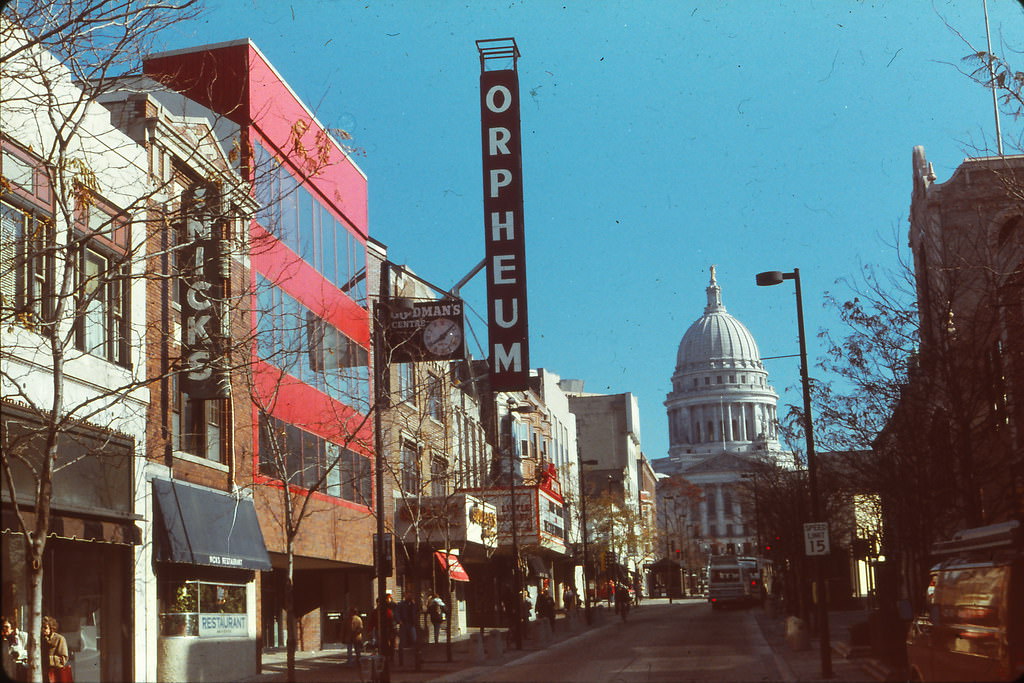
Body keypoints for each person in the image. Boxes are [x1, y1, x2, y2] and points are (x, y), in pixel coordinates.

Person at [41, 616, 69, 683]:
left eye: (45, 627)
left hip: (54, 675)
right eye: (42, 627)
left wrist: (48, 659)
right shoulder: (39, 640)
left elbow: (63, 659)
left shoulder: (59, 639)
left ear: (51, 628)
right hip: (41, 674)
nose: (43, 630)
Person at [396, 594, 418, 665]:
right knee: (402, 642)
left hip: (411, 625)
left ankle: (416, 659)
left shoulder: (413, 604)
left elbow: (417, 612)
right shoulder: (401, 605)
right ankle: (401, 661)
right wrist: (399, 621)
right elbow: (397, 614)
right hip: (404, 625)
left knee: (414, 640)